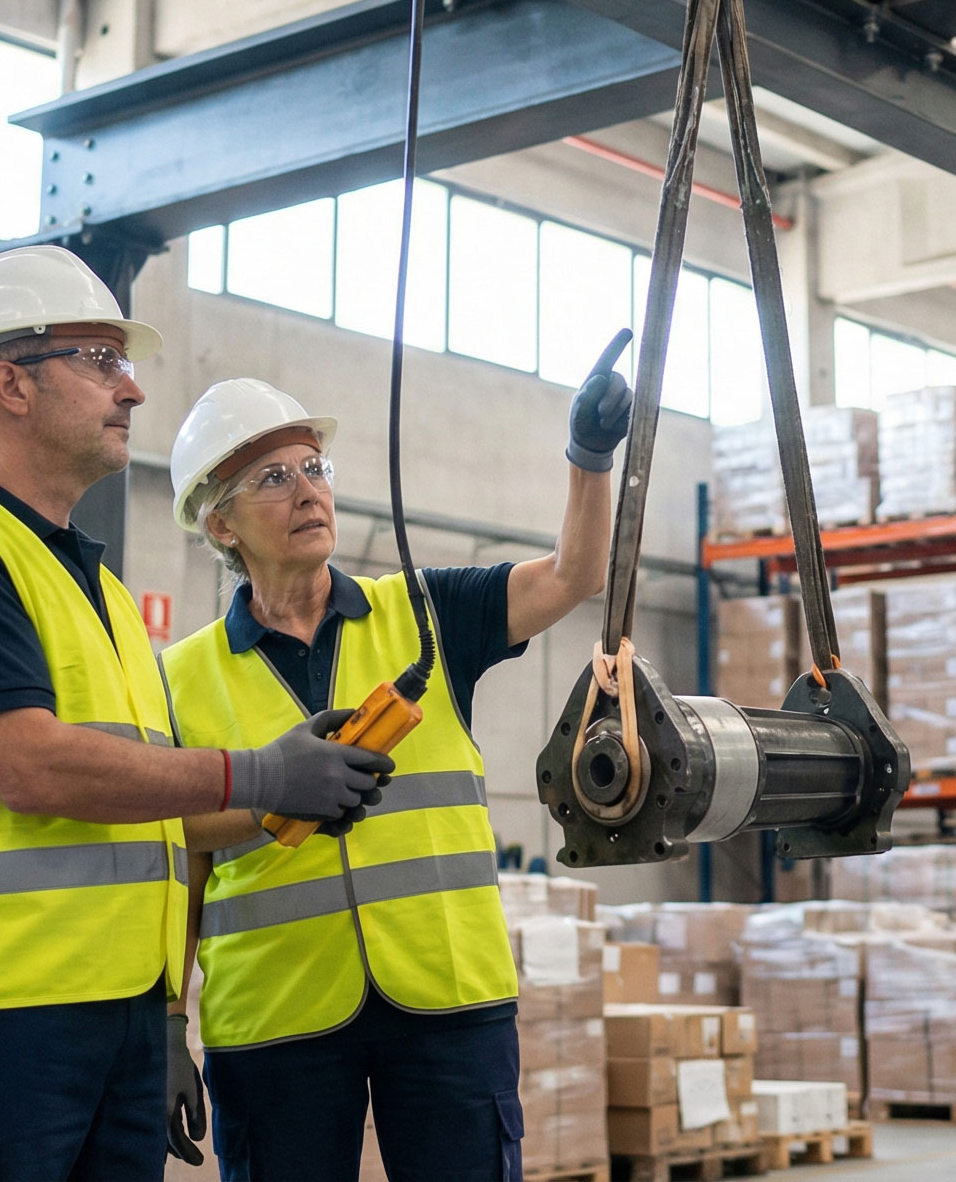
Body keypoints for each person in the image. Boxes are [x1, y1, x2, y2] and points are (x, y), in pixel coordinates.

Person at [0, 246, 395, 1178]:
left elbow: (151, 811)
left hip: (119, 1016)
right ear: (10, 384)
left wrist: (282, 807)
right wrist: (264, 774)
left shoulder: (97, 589)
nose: (132, 390)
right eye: (101, 361)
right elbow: (31, 767)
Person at [163, 357, 633, 1182]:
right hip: (276, 1016)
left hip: (447, 998)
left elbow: (574, 575)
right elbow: (176, 857)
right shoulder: (180, 678)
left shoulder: (427, 614)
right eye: (274, 477)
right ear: (220, 524)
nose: (308, 492)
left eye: (315, 467)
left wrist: (589, 458)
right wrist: (168, 1019)